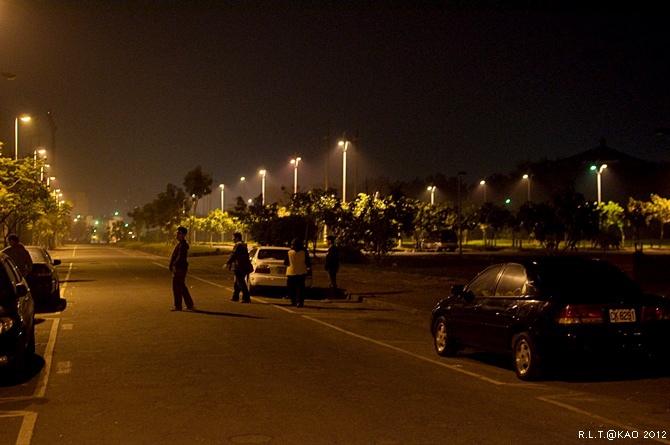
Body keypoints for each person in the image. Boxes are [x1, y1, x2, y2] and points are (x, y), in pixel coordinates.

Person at [169, 226, 196, 311]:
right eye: (176, 233)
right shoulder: (180, 245)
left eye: (179, 233)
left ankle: (186, 305)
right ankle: (181, 305)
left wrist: (174, 265)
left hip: (180, 268)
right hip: (179, 268)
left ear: (183, 234)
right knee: (179, 287)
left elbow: (181, 257)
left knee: (179, 287)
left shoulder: (183, 246)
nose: (177, 235)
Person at [285, 238, 311, 307]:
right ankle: (299, 301)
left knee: (291, 288)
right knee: (300, 288)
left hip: (291, 272)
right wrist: (308, 267)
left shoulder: (289, 252)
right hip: (301, 272)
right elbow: (308, 261)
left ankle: (293, 300)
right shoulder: (304, 252)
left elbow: (286, 263)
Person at [226, 232, 252, 303]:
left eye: (233, 237)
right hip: (243, 266)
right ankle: (235, 296)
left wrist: (227, 263)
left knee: (240, 282)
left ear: (237, 238)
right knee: (237, 282)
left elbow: (234, 255)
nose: (232, 239)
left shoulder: (238, 245)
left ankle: (246, 297)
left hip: (239, 266)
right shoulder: (243, 245)